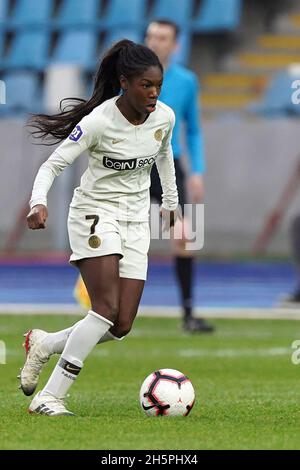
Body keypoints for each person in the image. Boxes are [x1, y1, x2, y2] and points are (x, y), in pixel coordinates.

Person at [20, 40, 179, 416]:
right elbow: (52, 165)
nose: (154, 93)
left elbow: (164, 156)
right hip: (94, 213)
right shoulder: (98, 122)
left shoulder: (165, 117)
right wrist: (37, 201)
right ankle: (50, 396)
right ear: (125, 82)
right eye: (146, 85)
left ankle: (44, 343)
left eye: (158, 85)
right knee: (104, 309)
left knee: (121, 324)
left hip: (136, 220)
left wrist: (171, 205)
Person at [74, 20, 214, 333]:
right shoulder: (126, 78)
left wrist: (198, 172)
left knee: (184, 236)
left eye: (163, 37)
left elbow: (193, 129)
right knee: (115, 232)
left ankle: (188, 314)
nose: (155, 41)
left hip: (167, 164)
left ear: (175, 45)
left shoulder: (187, 81)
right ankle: (95, 294)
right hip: (126, 163)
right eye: (151, 36)